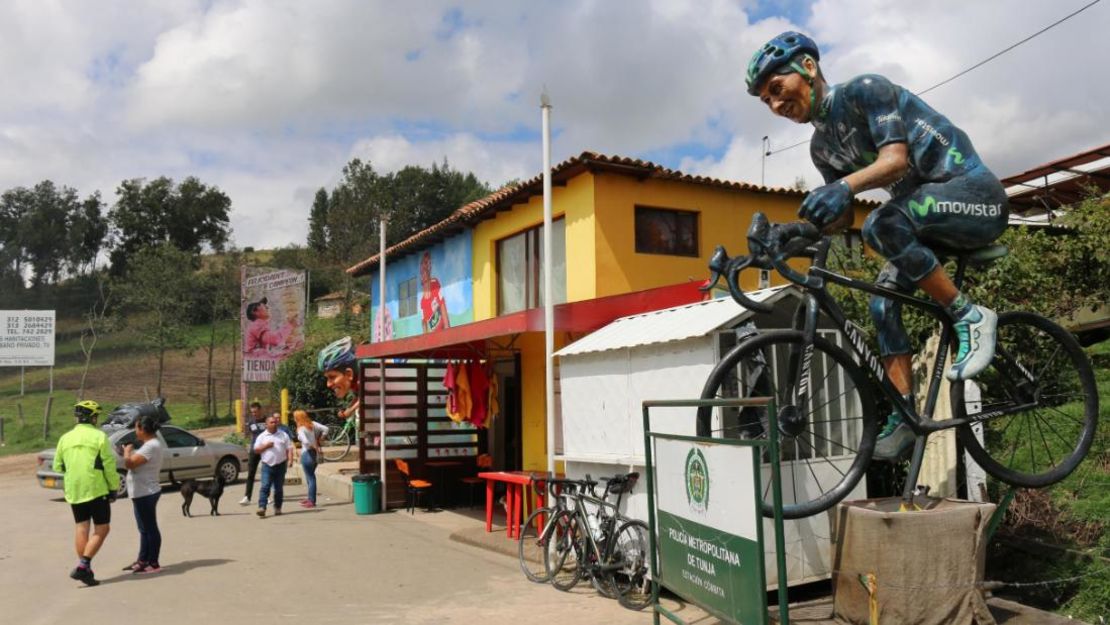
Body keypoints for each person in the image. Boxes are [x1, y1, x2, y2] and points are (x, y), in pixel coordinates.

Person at [745, 32, 1007, 460]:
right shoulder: (821, 147)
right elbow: (841, 219)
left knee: (883, 223)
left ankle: (971, 317)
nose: (775, 105)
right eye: (766, 101)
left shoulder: (866, 91)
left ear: (808, 68)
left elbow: (895, 161)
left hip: (975, 196)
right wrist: (795, 232)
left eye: (777, 89)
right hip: (925, 222)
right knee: (882, 305)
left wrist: (845, 187)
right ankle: (906, 416)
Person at [52, 400, 119, 586]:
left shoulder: (65, 438)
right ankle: (84, 565)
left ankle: (86, 571)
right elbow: (109, 465)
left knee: (82, 527)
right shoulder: (99, 436)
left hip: (74, 489)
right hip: (96, 488)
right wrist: (113, 487)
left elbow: (58, 465)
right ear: (93, 417)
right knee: (103, 528)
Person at [122, 415, 165, 574]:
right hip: (141, 492)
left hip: (146, 492)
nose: (135, 430)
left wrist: (127, 452)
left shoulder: (151, 445)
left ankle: (153, 563)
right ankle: (142, 560)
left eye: (136, 427)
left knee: (150, 528)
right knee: (144, 529)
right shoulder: (150, 444)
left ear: (143, 429)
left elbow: (130, 463)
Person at [253, 414, 295, 518]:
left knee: (278, 488)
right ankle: (262, 507)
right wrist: (266, 446)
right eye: (271, 422)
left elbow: (289, 448)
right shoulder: (262, 436)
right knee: (265, 486)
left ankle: (278, 507)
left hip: (280, 465)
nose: (274, 424)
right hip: (267, 465)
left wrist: (290, 460)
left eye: (275, 422)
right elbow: (256, 450)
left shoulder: (283, 434)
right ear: (266, 424)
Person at [293, 409, 328, 508]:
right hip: (314, 454)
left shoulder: (301, 429)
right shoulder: (312, 424)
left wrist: (312, 446)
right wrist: (321, 438)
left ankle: (312, 500)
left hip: (307, 453)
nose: (294, 419)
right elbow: (326, 429)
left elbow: (305, 441)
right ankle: (310, 498)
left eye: (295, 417)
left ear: (298, 418)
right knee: (310, 477)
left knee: (311, 478)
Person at [239, 400, 266, 505]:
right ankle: (247, 497)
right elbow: (252, 435)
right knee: (251, 474)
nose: (254, 414)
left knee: (265, 473)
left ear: (260, 410)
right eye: (252, 412)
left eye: (255, 412)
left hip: (265, 450)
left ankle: (265, 496)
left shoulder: (267, 420)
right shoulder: (251, 422)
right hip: (254, 450)